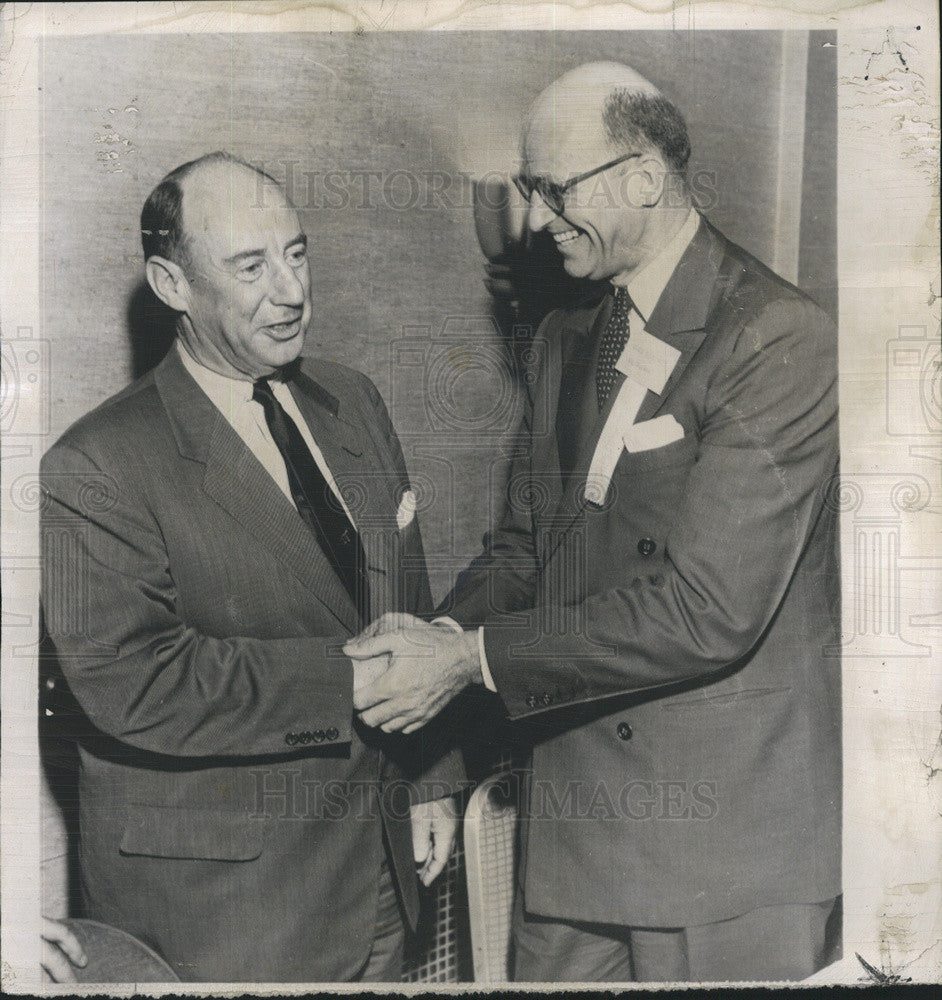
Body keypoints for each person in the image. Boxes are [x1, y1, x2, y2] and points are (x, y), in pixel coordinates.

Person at [346, 62, 841, 982]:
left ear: (643, 179)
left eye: (551, 190)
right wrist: (442, 632)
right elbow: (525, 547)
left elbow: (706, 611)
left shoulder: (775, 338)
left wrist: (473, 661)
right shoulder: (566, 336)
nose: (535, 220)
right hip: (573, 832)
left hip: (725, 850)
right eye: (529, 191)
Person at [40, 152, 462, 983]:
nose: (292, 290)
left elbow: (405, 599)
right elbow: (132, 681)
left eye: (297, 254)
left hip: (382, 873)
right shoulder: (95, 464)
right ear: (171, 285)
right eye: (251, 265)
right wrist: (355, 682)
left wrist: (430, 775)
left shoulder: (354, 401)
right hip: (229, 911)